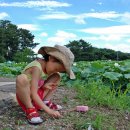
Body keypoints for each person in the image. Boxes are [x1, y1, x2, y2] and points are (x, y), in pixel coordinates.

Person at [16, 44, 75, 124]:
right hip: (27, 98)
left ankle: (45, 102)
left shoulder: (46, 67)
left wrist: (44, 86)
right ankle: (30, 109)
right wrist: (49, 111)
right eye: (56, 69)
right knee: (21, 78)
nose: (55, 71)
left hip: (36, 98)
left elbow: (36, 87)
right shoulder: (37, 67)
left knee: (56, 76)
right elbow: (33, 93)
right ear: (51, 58)